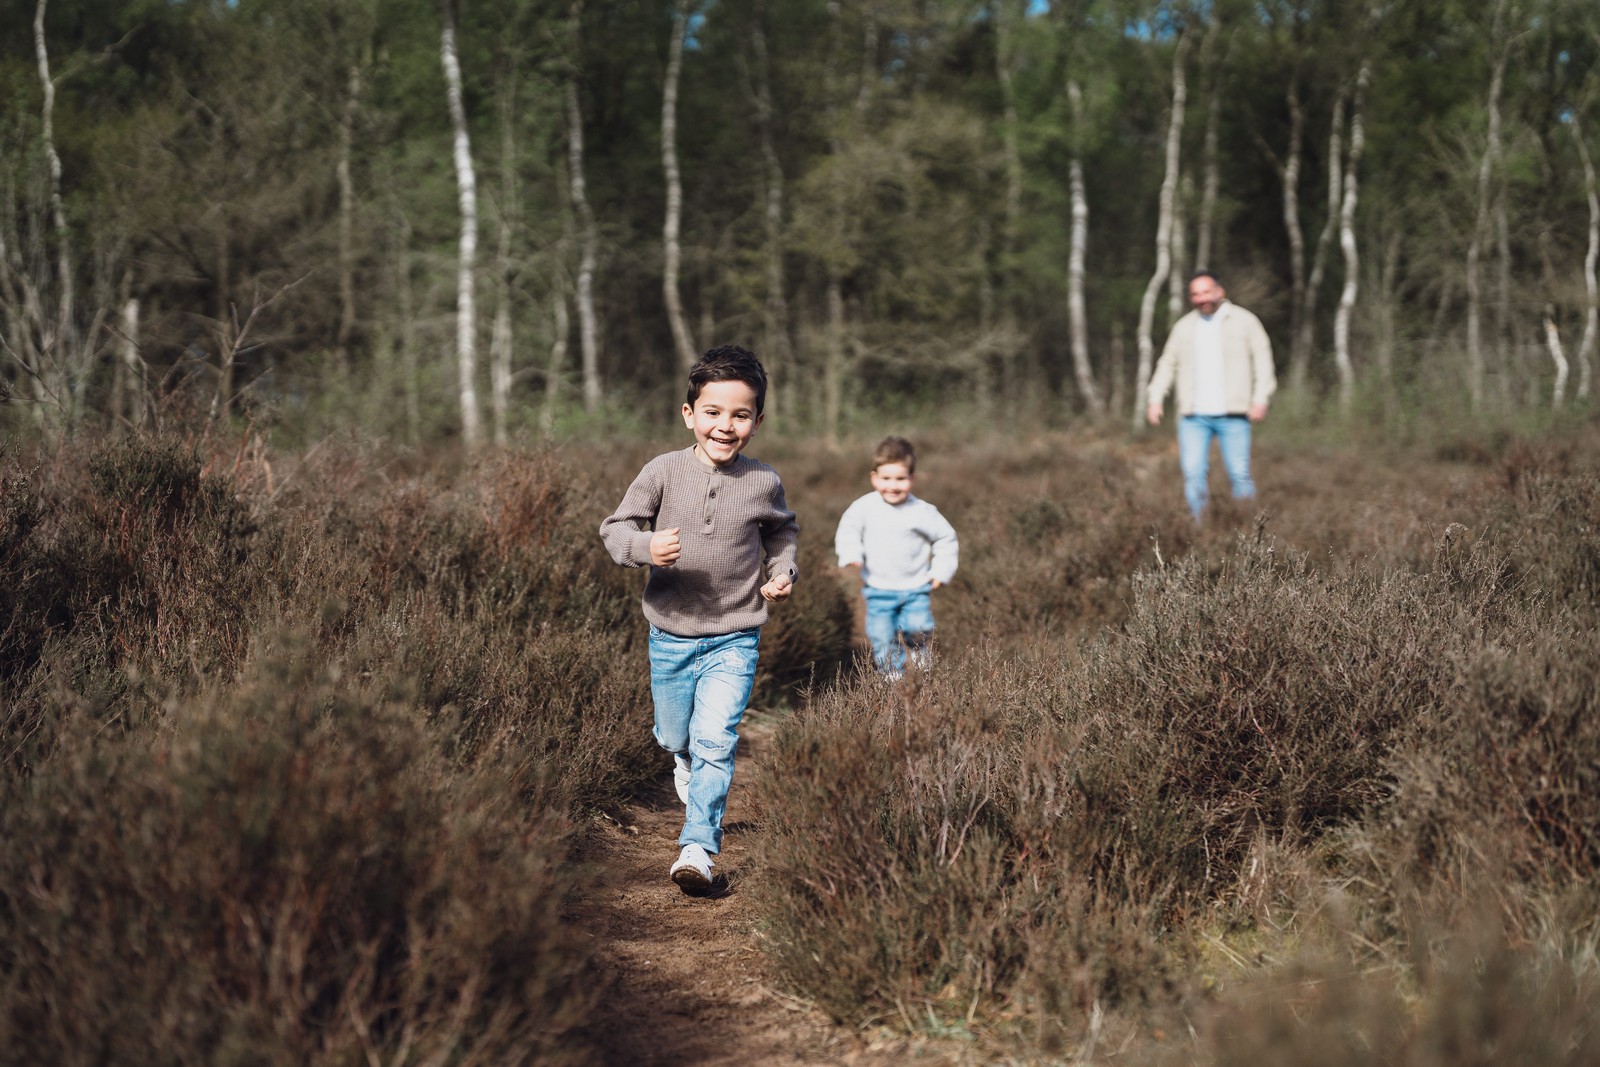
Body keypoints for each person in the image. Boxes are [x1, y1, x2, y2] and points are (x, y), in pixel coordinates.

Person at [599, 345, 797, 896]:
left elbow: (782, 532)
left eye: (740, 414)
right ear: (689, 414)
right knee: (674, 735)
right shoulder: (662, 470)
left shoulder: (763, 481)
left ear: (757, 421)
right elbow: (615, 528)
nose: (725, 426)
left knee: (716, 738)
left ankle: (698, 848)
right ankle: (683, 759)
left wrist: (783, 571)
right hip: (670, 634)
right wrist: (644, 546)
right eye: (713, 412)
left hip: (735, 634)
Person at [1146, 270, 1277, 520]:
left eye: (1206, 292)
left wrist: (1261, 397)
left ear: (1220, 291)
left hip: (1234, 414)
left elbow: (1263, 359)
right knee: (1193, 474)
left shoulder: (1245, 321)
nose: (1202, 298)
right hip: (1193, 416)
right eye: (1195, 294)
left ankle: (1249, 530)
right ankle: (1200, 529)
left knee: (1239, 473)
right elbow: (1168, 363)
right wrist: (1155, 398)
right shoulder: (1184, 327)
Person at [834, 436, 958, 679]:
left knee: (918, 627)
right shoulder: (863, 507)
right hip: (878, 588)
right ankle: (891, 677)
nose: (893, 486)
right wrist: (851, 553)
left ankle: (920, 652)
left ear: (912, 479)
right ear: (874, 478)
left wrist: (941, 571)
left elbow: (946, 538)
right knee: (881, 636)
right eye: (886, 478)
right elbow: (848, 530)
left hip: (916, 586)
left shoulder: (923, 511)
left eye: (900, 479)